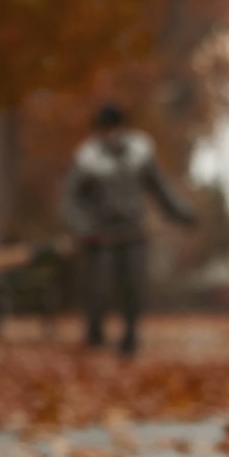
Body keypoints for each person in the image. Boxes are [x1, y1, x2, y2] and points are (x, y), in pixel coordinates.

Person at [63, 104, 196, 355]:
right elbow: (72, 199)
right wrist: (83, 227)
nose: (111, 134)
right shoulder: (88, 159)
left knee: (134, 284)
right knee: (98, 288)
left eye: (114, 128)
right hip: (99, 235)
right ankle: (95, 333)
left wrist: (181, 212)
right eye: (105, 129)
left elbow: (159, 188)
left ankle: (130, 336)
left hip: (133, 231)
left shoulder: (139, 154)